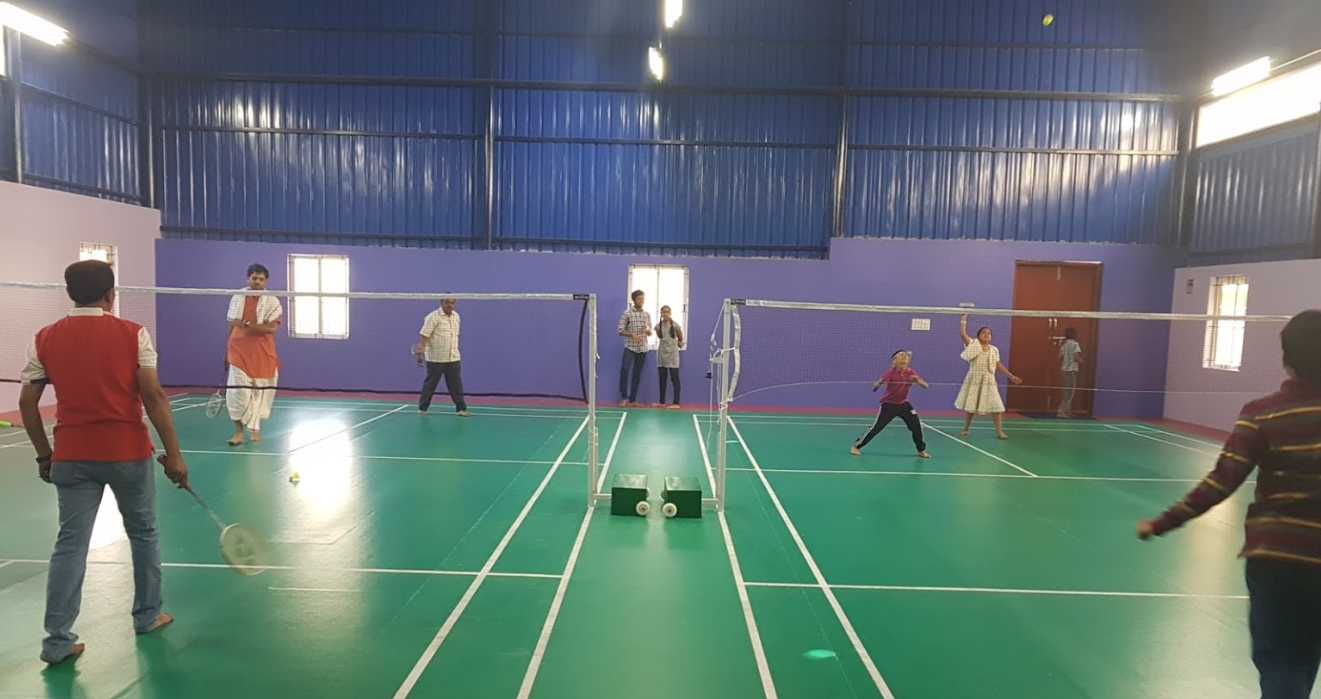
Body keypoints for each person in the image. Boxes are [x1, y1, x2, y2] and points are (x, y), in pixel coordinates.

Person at [1138, 310, 1321, 699]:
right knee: (1304, 658)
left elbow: (1222, 481)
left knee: (1280, 662)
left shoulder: (1262, 414)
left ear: (1286, 358)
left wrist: (1163, 522)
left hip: (1276, 558)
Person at [17, 260, 190, 665]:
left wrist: (44, 454)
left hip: (71, 455)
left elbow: (27, 403)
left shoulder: (44, 338)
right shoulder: (134, 334)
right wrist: (175, 455)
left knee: (70, 545)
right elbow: (153, 397)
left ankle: (57, 642)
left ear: (69, 294)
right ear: (111, 295)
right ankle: (148, 616)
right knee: (143, 534)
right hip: (126, 453)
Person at [225, 264, 282, 446]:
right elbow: (233, 324)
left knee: (259, 394)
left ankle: (255, 428)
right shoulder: (238, 298)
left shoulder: (272, 301)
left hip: (263, 354)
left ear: (266, 281)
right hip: (238, 352)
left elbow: (271, 328)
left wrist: (248, 325)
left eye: (261, 279)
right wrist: (227, 351)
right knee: (238, 393)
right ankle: (238, 433)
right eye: (254, 278)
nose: (257, 281)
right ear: (248, 278)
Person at [851, 350, 931, 459]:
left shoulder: (911, 373)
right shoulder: (890, 373)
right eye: (900, 356)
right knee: (877, 428)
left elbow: (926, 386)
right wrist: (878, 383)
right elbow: (874, 387)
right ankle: (856, 446)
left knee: (916, 426)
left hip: (904, 404)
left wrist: (917, 380)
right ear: (894, 361)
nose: (904, 358)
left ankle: (921, 450)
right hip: (888, 405)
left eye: (905, 357)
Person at [956, 315, 1022, 439]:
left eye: (989, 333)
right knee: (971, 407)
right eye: (983, 333)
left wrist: (1011, 376)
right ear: (978, 336)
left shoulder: (994, 350)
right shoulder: (973, 344)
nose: (986, 335)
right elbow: (962, 334)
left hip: (990, 381)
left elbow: (998, 365)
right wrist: (963, 319)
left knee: (997, 406)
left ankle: (999, 432)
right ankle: (966, 428)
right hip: (975, 380)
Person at [415, 298, 469, 417]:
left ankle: (461, 409)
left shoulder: (456, 316)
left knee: (456, 385)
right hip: (436, 358)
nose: (450, 305)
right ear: (441, 303)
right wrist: (420, 352)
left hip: (453, 357)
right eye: (447, 302)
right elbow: (424, 335)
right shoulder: (433, 317)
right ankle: (423, 408)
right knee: (430, 384)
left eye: (452, 303)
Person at [617, 290, 652, 407]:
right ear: (634, 300)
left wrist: (648, 331)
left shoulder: (647, 314)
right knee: (625, 371)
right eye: (639, 299)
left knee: (637, 373)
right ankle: (624, 398)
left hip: (643, 348)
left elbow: (650, 331)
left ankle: (633, 400)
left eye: (643, 299)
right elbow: (620, 330)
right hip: (630, 348)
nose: (642, 301)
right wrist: (632, 335)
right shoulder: (627, 314)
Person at [654, 305, 685, 409]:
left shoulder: (676, 326)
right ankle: (662, 402)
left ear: (670, 313)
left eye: (667, 312)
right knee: (662, 379)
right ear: (661, 314)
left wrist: (680, 343)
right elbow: (660, 337)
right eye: (663, 312)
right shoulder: (658, 326)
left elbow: (680, 338)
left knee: (674, 379)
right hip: (662, 355)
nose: (665, 314)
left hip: (673, 355)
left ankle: (676, 403)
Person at [1057, 327, 1083, 418]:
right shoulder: (1075, 344)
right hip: (1071, 371)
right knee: (1070, 393)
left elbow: (1059, 357)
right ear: (1074, 335)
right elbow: (1076, 357)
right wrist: (1081, 361)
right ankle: (1062, 412)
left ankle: (1066, 411)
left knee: (1066, 392)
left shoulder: (1064, 345)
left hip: (1064, 371)